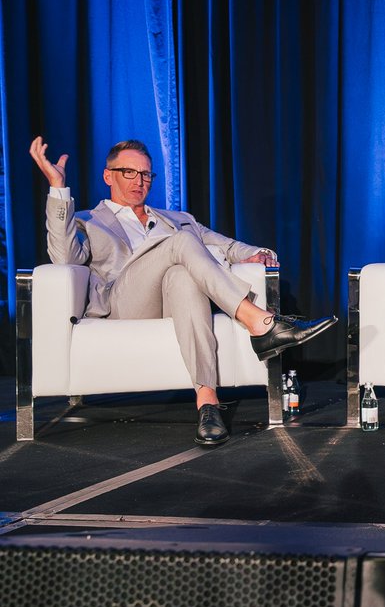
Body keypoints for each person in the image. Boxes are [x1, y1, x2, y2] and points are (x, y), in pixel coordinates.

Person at [32, 136, 336, 447]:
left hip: (170, 300)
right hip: (122, 303)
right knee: (179, 243)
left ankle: (207, 404)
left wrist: (258, 253)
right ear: (108, 175)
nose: (140, 181)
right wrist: (57, 187)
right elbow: (64, 258)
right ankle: (257, 320)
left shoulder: (178, 220)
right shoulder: (87, 220)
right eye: (130, 172)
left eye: (146, 174)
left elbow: (228, 246)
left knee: (182, 275)